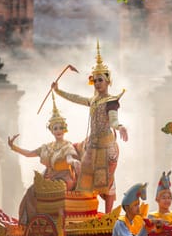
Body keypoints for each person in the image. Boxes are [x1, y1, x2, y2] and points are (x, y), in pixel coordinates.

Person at [51, 41, 128, 213]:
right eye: (95, 80)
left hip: (106, 146)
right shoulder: (93, 100)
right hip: (92, 144)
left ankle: (105, 209)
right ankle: (83, 209)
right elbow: (76, 98)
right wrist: (58, 91)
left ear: (108, 81)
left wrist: (120, 126)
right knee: (83, 173)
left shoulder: (111, 101)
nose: (97, 83)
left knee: (105, 178)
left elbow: (113, 119)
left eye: (100, 80)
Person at [7, 95, 81, 225]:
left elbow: (69, 157)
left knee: (54, 189)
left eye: (60, 128)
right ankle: (29, 221)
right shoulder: (47, 147)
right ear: (51, 131)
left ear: (64, 129)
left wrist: (73, 162)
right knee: (31, 191)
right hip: (49, 177)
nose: (58, 131)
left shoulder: (67, 145)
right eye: (55, 128)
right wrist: (13, 147)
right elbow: (29, 153)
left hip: (65, 179)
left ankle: (51, 220)